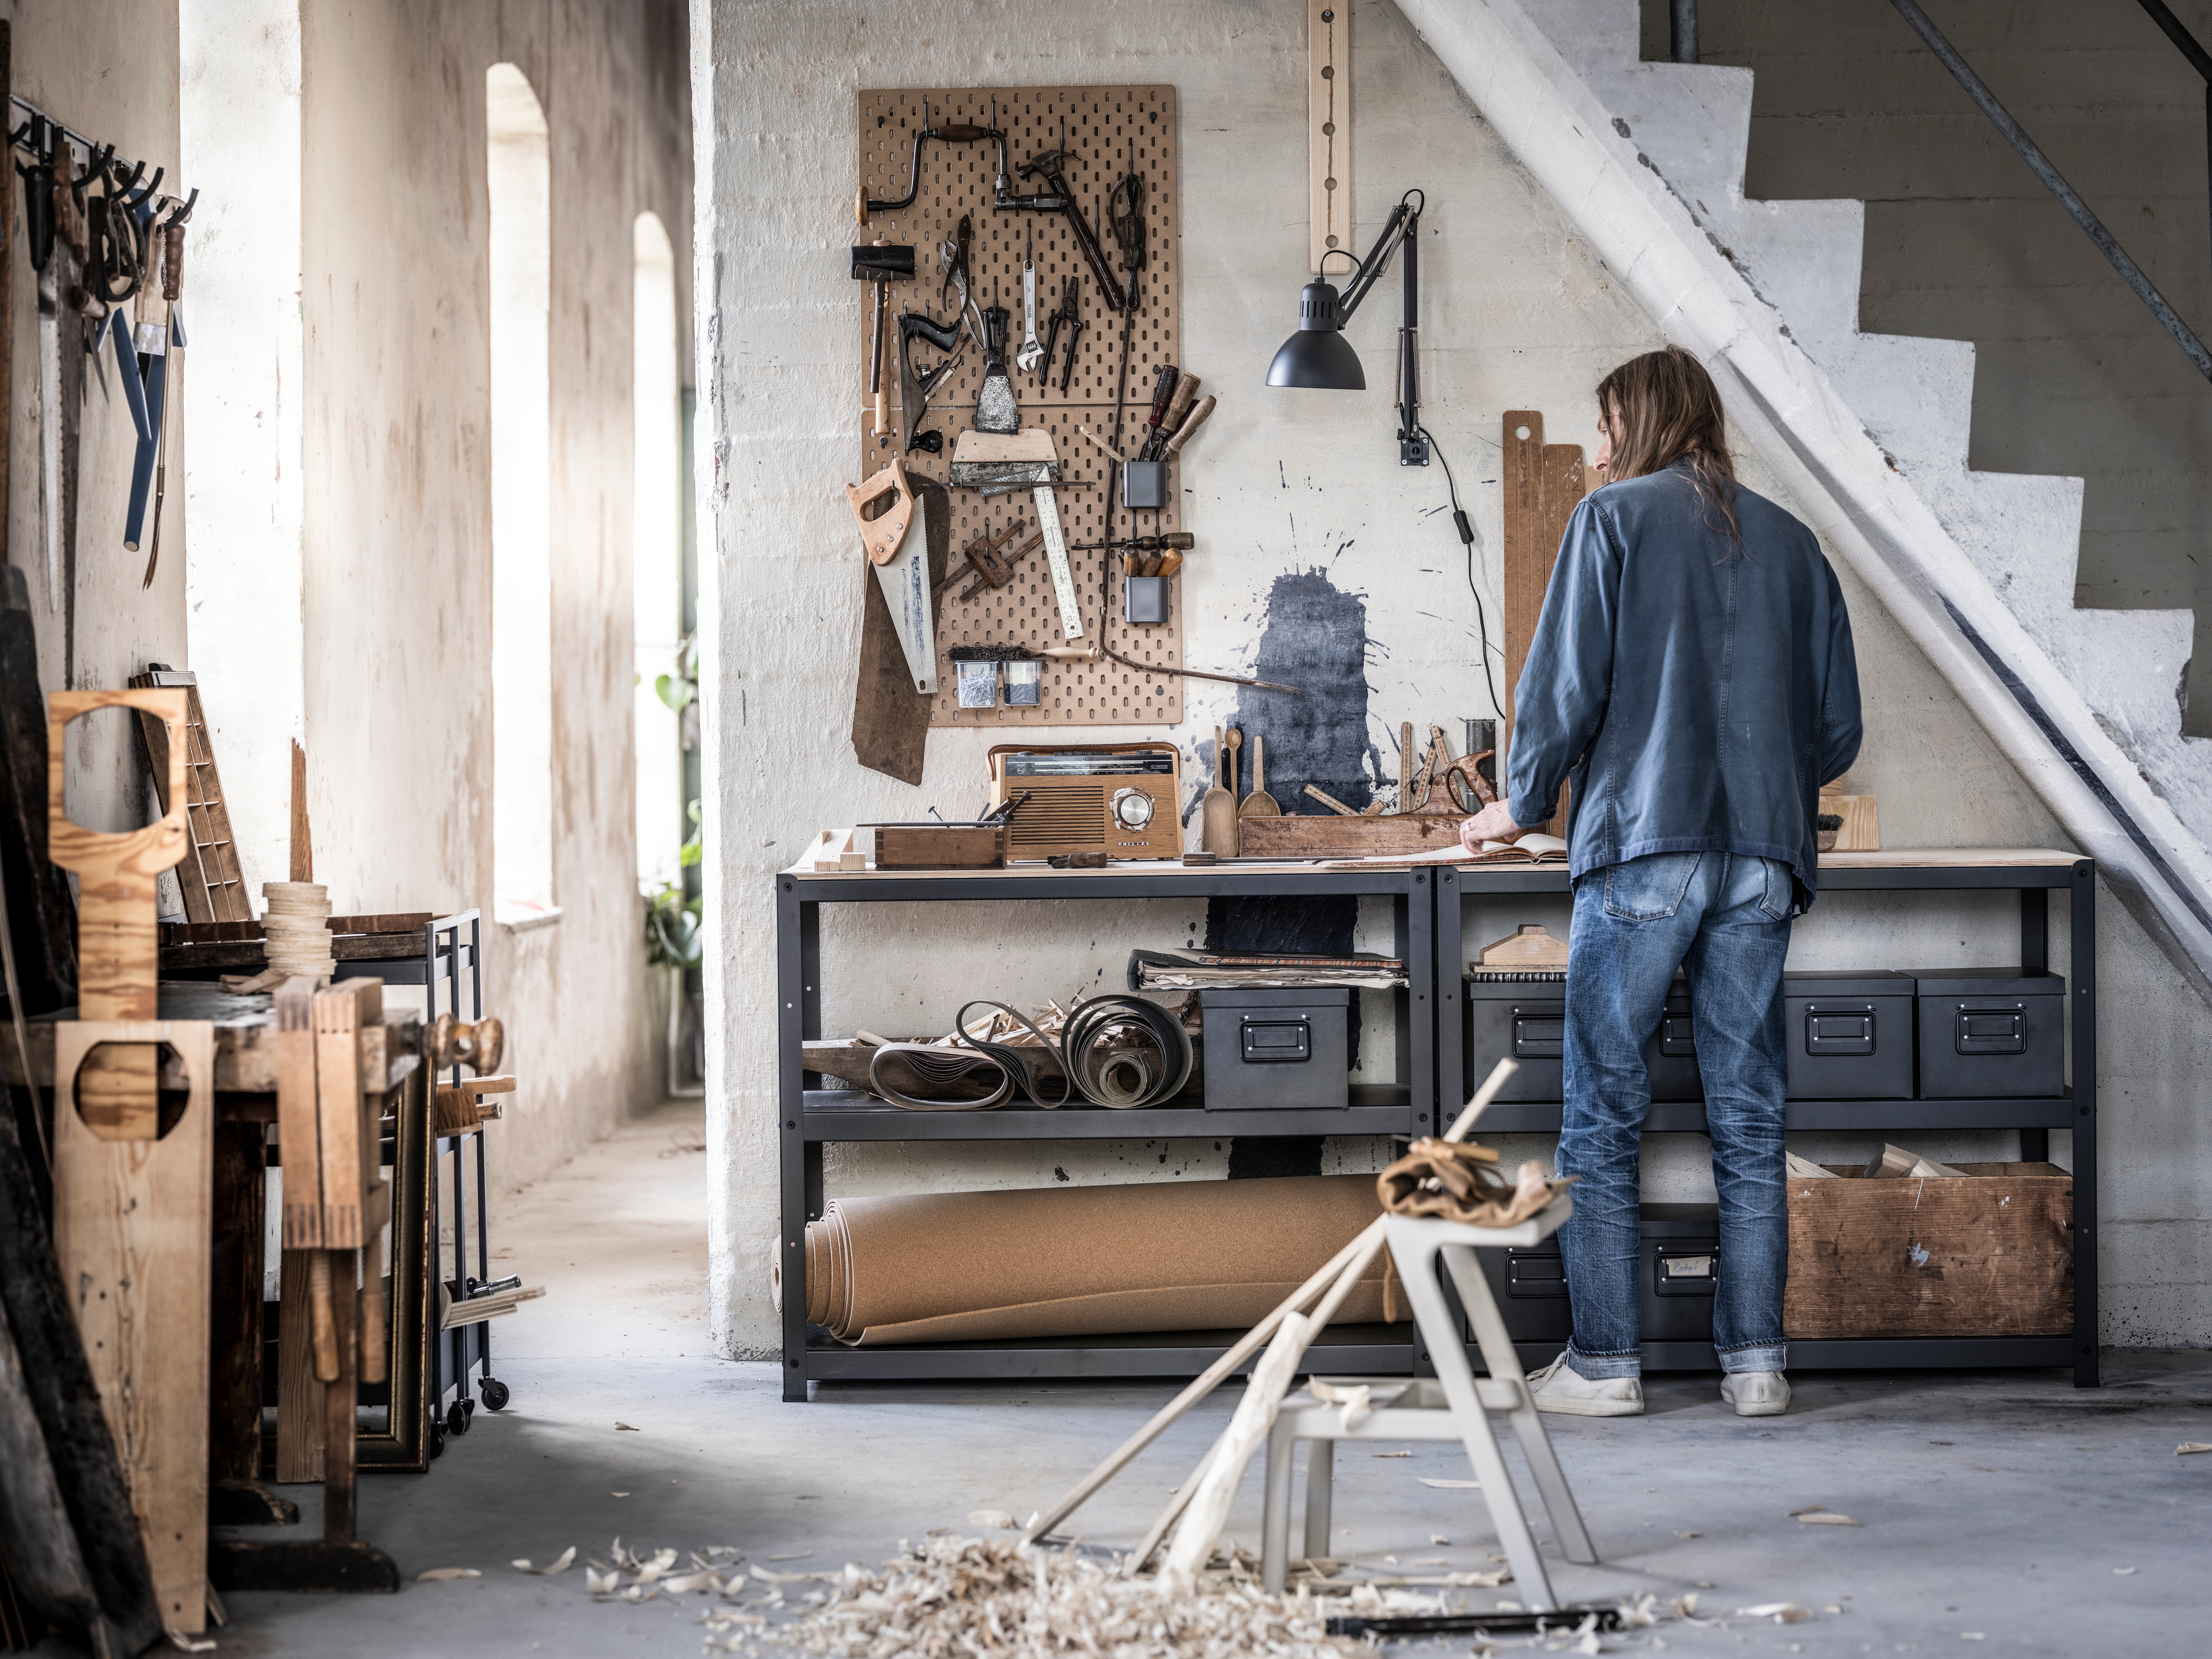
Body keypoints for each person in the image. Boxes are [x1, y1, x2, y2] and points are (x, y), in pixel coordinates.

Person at [1458, 346, 1862, 1419]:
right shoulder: (1792, 541)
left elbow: (1563, 688)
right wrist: (1761, 780)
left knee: (1599, 1111)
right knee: (1749, 1114)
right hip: (1766, 855)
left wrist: (1520, 800)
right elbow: (1834, 734)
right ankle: (1756, 1367)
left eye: (1602, 429)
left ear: (1636, 424)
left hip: (1643, 844)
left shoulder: (1612, 520)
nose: (1594, 453)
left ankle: (1605, 1368)